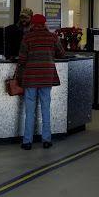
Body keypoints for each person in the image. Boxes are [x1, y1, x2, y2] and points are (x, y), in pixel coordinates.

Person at [17, 13, 65, 150]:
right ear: (45, 24)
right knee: (45, 108)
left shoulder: (27, 37)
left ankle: (27, 142)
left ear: (32, 24)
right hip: (46, 76)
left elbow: (21, 59)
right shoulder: (52, 37)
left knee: (30, 110)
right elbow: (62, 54)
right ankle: (47, 140)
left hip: (31, 77)